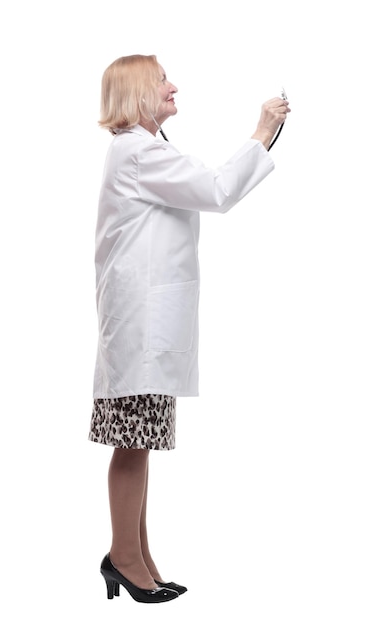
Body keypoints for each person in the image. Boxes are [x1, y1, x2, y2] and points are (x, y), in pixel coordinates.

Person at [89, 54, 291, 604]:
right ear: (136, 94)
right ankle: (124, 557)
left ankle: (137, 554)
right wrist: (262, 132)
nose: (173, 86)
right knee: (133, 443)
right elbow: (218, 190)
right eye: (162, 81)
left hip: (142, 328)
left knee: (140, 442)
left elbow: (208, 189)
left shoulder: (143, 152)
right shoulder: (138, 152)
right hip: (139, 331)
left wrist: (262, 141)